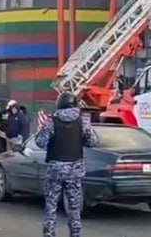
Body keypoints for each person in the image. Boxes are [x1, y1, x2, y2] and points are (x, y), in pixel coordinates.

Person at [35, 92, 98, 237]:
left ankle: (49, 233)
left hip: (55, 169)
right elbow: (93, 141)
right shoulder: (82, 121)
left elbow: (40, 142)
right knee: (74, 207)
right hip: (75, 169)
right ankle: (75, 234)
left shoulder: (52, 121)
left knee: (51, 206)